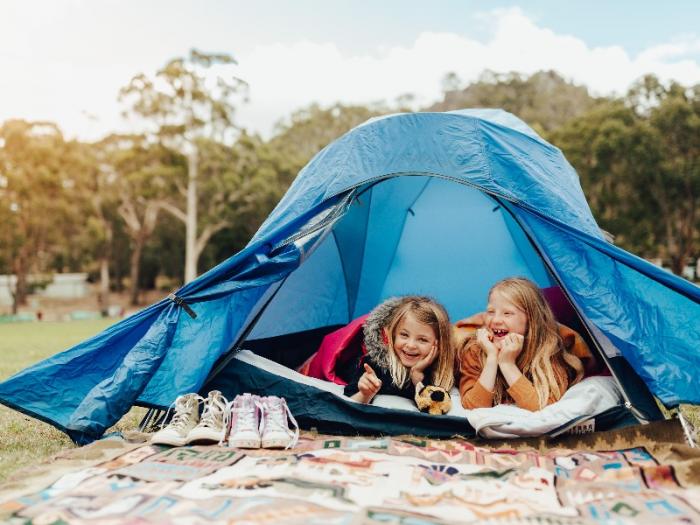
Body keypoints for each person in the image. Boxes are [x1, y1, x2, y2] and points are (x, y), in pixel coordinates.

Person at [457, 277, 587, 411]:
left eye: (507, 313)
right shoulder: (475, 349)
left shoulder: (548, 350)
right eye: (490, 312)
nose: (495, 320)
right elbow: (472, 406)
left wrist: (507, 364)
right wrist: (491, 358)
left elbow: (542, 407)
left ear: (531, 319)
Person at [343, 296, 455, 404]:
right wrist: (365, 394)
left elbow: (431, 405)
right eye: (404, 335)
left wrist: (417, 375)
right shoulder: (375, 364)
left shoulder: (437, 373)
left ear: (439, 345)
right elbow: (350, 399)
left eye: (422, 340)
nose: (411, 345)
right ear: (393, 335)